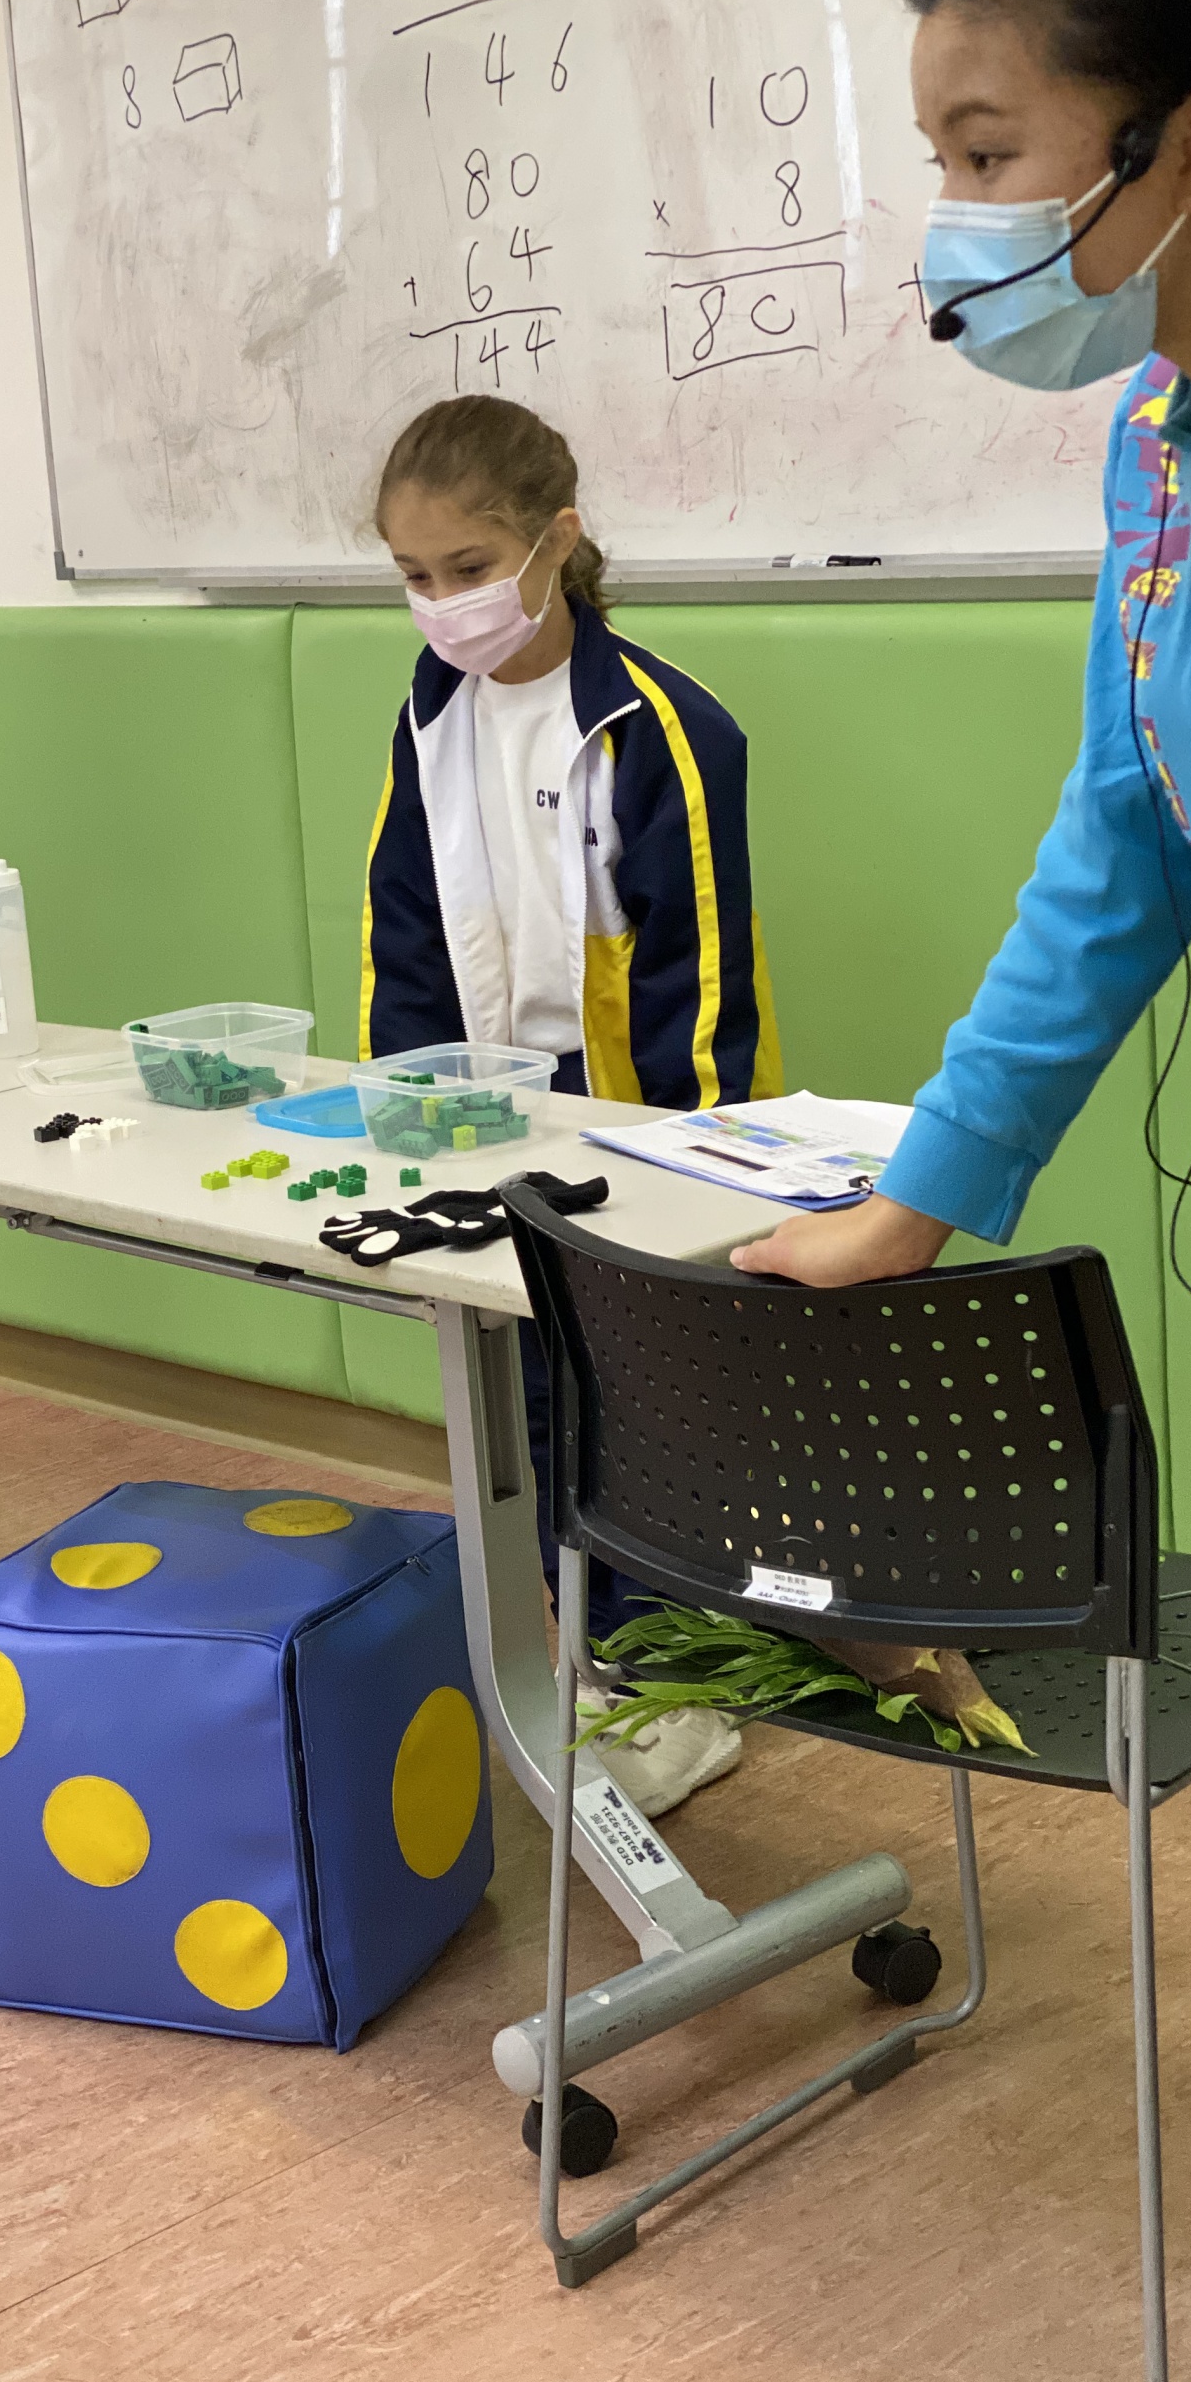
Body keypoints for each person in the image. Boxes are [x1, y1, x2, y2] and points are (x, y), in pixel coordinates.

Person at [735, 0, 1191, 1298]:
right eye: (943, 164)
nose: (959, 220)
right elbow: (1126, 835)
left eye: (989, 155)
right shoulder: (1159, 447)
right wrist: (922, 1197)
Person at [367, 394, 782, 1813]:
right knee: (535, 1413)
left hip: (635, 1120)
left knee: (635, 1410)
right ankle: (597, 1661)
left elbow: (701, 977)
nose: (444, 602)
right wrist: (404, 1112)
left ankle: (680, 1686)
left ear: (557, 540)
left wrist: (685, 1178)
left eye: (469, 567)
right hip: (488, 1111)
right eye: (415, 576)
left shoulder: (662, 725)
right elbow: (405, 929)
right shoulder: (432, 711)